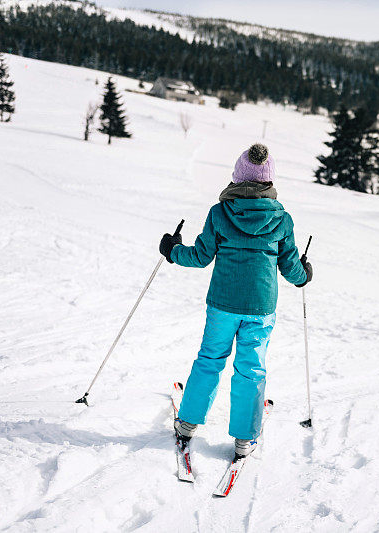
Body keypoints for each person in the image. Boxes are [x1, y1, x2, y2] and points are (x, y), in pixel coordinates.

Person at [159, 143, 312, 458]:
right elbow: (291, 268)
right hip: (260, 308)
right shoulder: (282, 219)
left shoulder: (219, 213)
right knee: (251, 368)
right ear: (268, 182)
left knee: (210, 359)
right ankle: (244, 438)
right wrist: (305, 275)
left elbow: (201, 257)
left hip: (222, 304)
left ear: (237, 177)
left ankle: (187, 423)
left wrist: (173, 250)